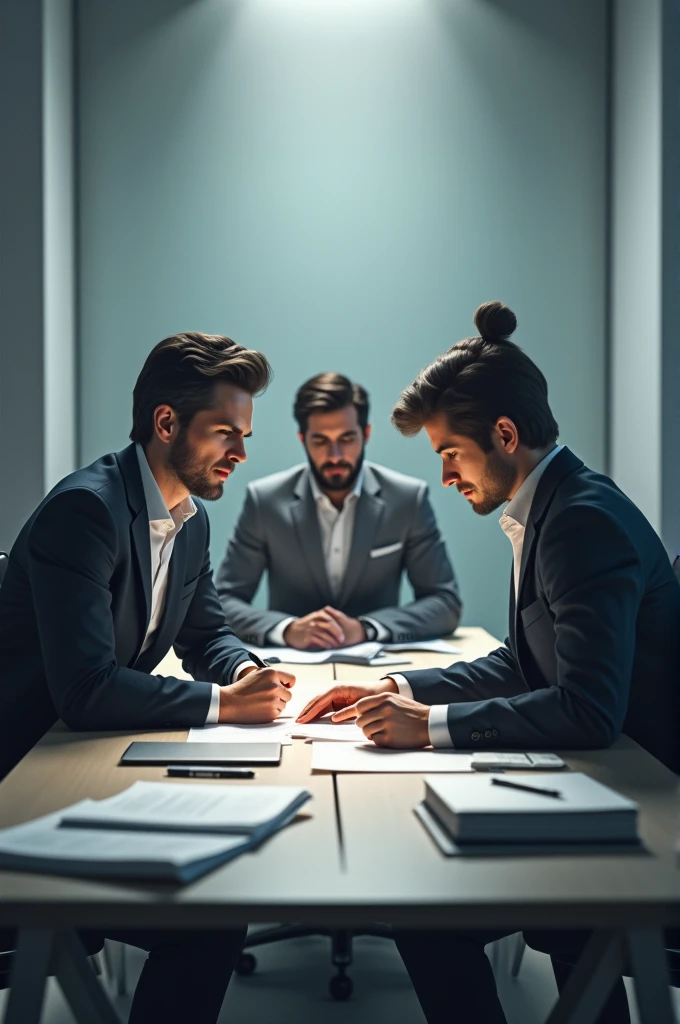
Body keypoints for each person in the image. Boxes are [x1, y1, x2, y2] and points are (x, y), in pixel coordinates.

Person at [297, 302, 680, 1024]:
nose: (445, 476)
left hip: (638, 820)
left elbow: (588, 711)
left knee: (422, 904)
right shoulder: (556, 505)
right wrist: (398, 685)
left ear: (504, 436)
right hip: (599, 787)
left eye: (450, 453)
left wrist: (431, 725)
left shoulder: (580, 522)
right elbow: (522, 659)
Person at [0, 331, 296, 1023]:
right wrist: (226, 705)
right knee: (210, 920)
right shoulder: (88, 512)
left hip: (81, 765)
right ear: (166, 423)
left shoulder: (187, 520)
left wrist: (251, 671)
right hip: (23, 786)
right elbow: (87, 690)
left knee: (217, 900)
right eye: (226, 432)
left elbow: (207, 633)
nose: (242, 455)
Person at [215, 372, 461, 649]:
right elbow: (223, 601)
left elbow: (444, 603)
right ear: (302, 439)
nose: (335, 455)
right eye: (320, 441)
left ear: (365, 434)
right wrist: (286, 630)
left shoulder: (408, 499)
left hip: (378, 673)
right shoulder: (264, 501)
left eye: (346, 439)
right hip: (290, 672)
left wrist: (366, 629)